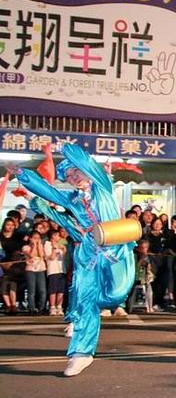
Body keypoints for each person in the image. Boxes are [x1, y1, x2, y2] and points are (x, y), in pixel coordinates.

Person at [13, 145, 136, 376]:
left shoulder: (102, 186)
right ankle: (81, 353)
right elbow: (49, 193)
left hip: (116, 247)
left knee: (116, 293)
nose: (73, 177)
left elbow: (88, 164)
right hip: (88, 251)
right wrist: (23, 175)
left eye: (76, 172)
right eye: (69, 176)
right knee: (85, 300)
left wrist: (66, 149)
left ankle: (94, 308)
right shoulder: (72, 199)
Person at [44, 229, 67, 316]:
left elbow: (63, 255)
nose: (59, 237)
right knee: (53, 290)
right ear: (52, 236)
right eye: (57, 235)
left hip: (61, 270)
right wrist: (54, 248)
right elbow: (51, 257)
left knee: (61, 290)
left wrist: (63, 248)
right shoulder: (47, 244)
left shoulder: (60, 244)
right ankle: (52, 307)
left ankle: (59, 306)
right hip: (53, 270)